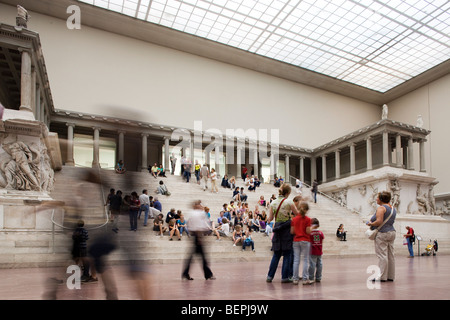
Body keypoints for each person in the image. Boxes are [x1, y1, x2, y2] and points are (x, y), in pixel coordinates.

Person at [266, 183, 300, 283]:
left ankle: (269, 276)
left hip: (277, 228)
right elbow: (297, 214)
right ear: (288, 192)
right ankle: (284, 277)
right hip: (286, 229)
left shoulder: (273, 203)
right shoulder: (289, 202)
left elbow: (270, 219)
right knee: (287, 253)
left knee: (276, 254)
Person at [367, 191, 397, 282]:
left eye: (377, 197)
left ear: (381, 199)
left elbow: (379, 221)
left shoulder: (381, 208)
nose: (376, 199)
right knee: (390, 255)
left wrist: (371, 223)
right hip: (392, 231)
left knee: (382, 255)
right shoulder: (393, 208)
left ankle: (381, 276)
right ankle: (390, 276)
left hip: (382, 233)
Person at [182, 200, 215, 280]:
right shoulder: (199, 213)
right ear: (197, 206)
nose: (201, 207)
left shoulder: (191, 213)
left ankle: (186, 273)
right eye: (200, 205)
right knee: (203, 257)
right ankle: (208, 274)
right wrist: (200, 238)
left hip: (194, 236)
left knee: (193, 257)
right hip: (198, 237)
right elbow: (200, 227)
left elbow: (189, 225)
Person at [291, 200, 312, 285]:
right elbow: (308, 231)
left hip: (296, 240)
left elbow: (292, 231)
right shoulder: (308, 219)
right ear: (306, 210)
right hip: (305, 240)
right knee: (306, 260)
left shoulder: (294, 219)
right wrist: (310, 229)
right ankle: (304, 279)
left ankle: (295, 279)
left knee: (296, 260)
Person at [309, 218, 324, 283]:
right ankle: (318, 277)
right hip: (319, 250)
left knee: (312, 264)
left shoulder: (310, 233)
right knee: (319, 264)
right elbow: (322, 241)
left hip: (312, 250)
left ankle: (311, 277)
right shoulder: (321, 233)